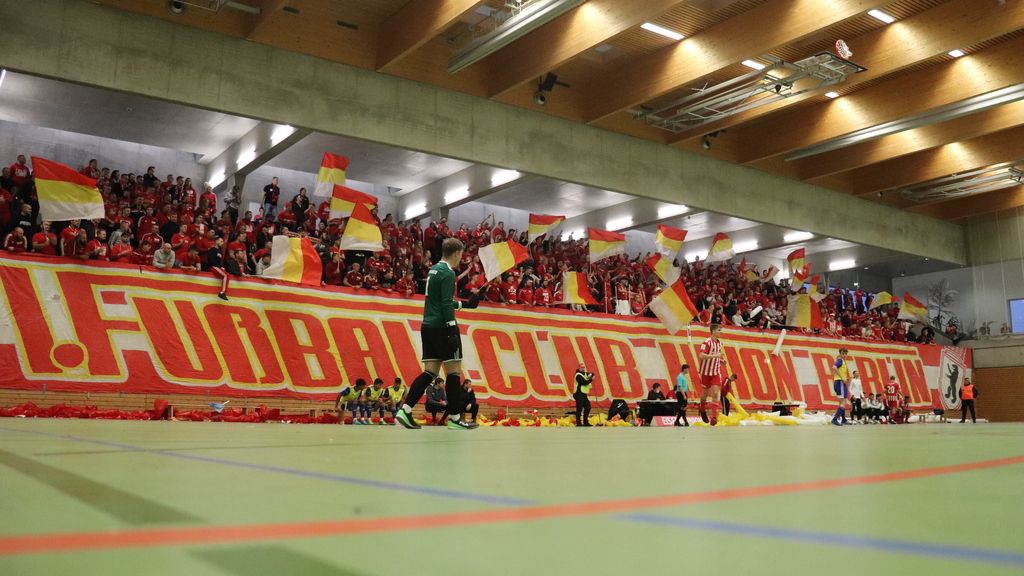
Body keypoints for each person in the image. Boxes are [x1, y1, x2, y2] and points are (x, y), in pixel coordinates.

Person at [395, 238, 480, 430]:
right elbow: (444, 304)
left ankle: (405, 409)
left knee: (430, 371)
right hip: (443, 327)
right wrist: (451, 329)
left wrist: (465, 304)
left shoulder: (433, 269)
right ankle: (455, 418)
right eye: (461, 255)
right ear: (457, 253)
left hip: (428, 326)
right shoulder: (448, 273)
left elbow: (441, 301)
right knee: (454, 372)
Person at [698, 324, 726, 426]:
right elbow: (701, 355)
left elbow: (718, 355)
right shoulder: (707, 342)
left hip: (715, 372)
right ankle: (702, 408)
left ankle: (714, 417)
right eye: (719, 330)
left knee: (715, 393)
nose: (721, 332)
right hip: (705, 372)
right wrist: (715, 356)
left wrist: (721, 360)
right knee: (705, 394)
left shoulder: (720, 343)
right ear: (713, 331)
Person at [831, 348, 851, 426]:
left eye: (846, 353)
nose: (844, 355)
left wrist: (845, 377)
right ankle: (835, 419)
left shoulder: (843, 362)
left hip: (839, 382)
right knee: (843, 402)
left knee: (841, 402)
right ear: (840, 353)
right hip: (840, 382)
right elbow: (834, 367)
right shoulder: (840, 360)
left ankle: (843, 419)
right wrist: (842, 378)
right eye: (843, 353)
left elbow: (835, 370)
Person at [573, 363, 595, 427]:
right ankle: (579, 423)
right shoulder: (578, 375)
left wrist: (592, 375)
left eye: (584, 367)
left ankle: (585, 422)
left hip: (584, 394)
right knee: (579, 408)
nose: (583, 369)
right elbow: (584, 382)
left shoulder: (585, 374)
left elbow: (592, 373)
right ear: (579, 368)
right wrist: (591, 379)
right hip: (578, 393)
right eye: (582, 367)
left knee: (588, 407)